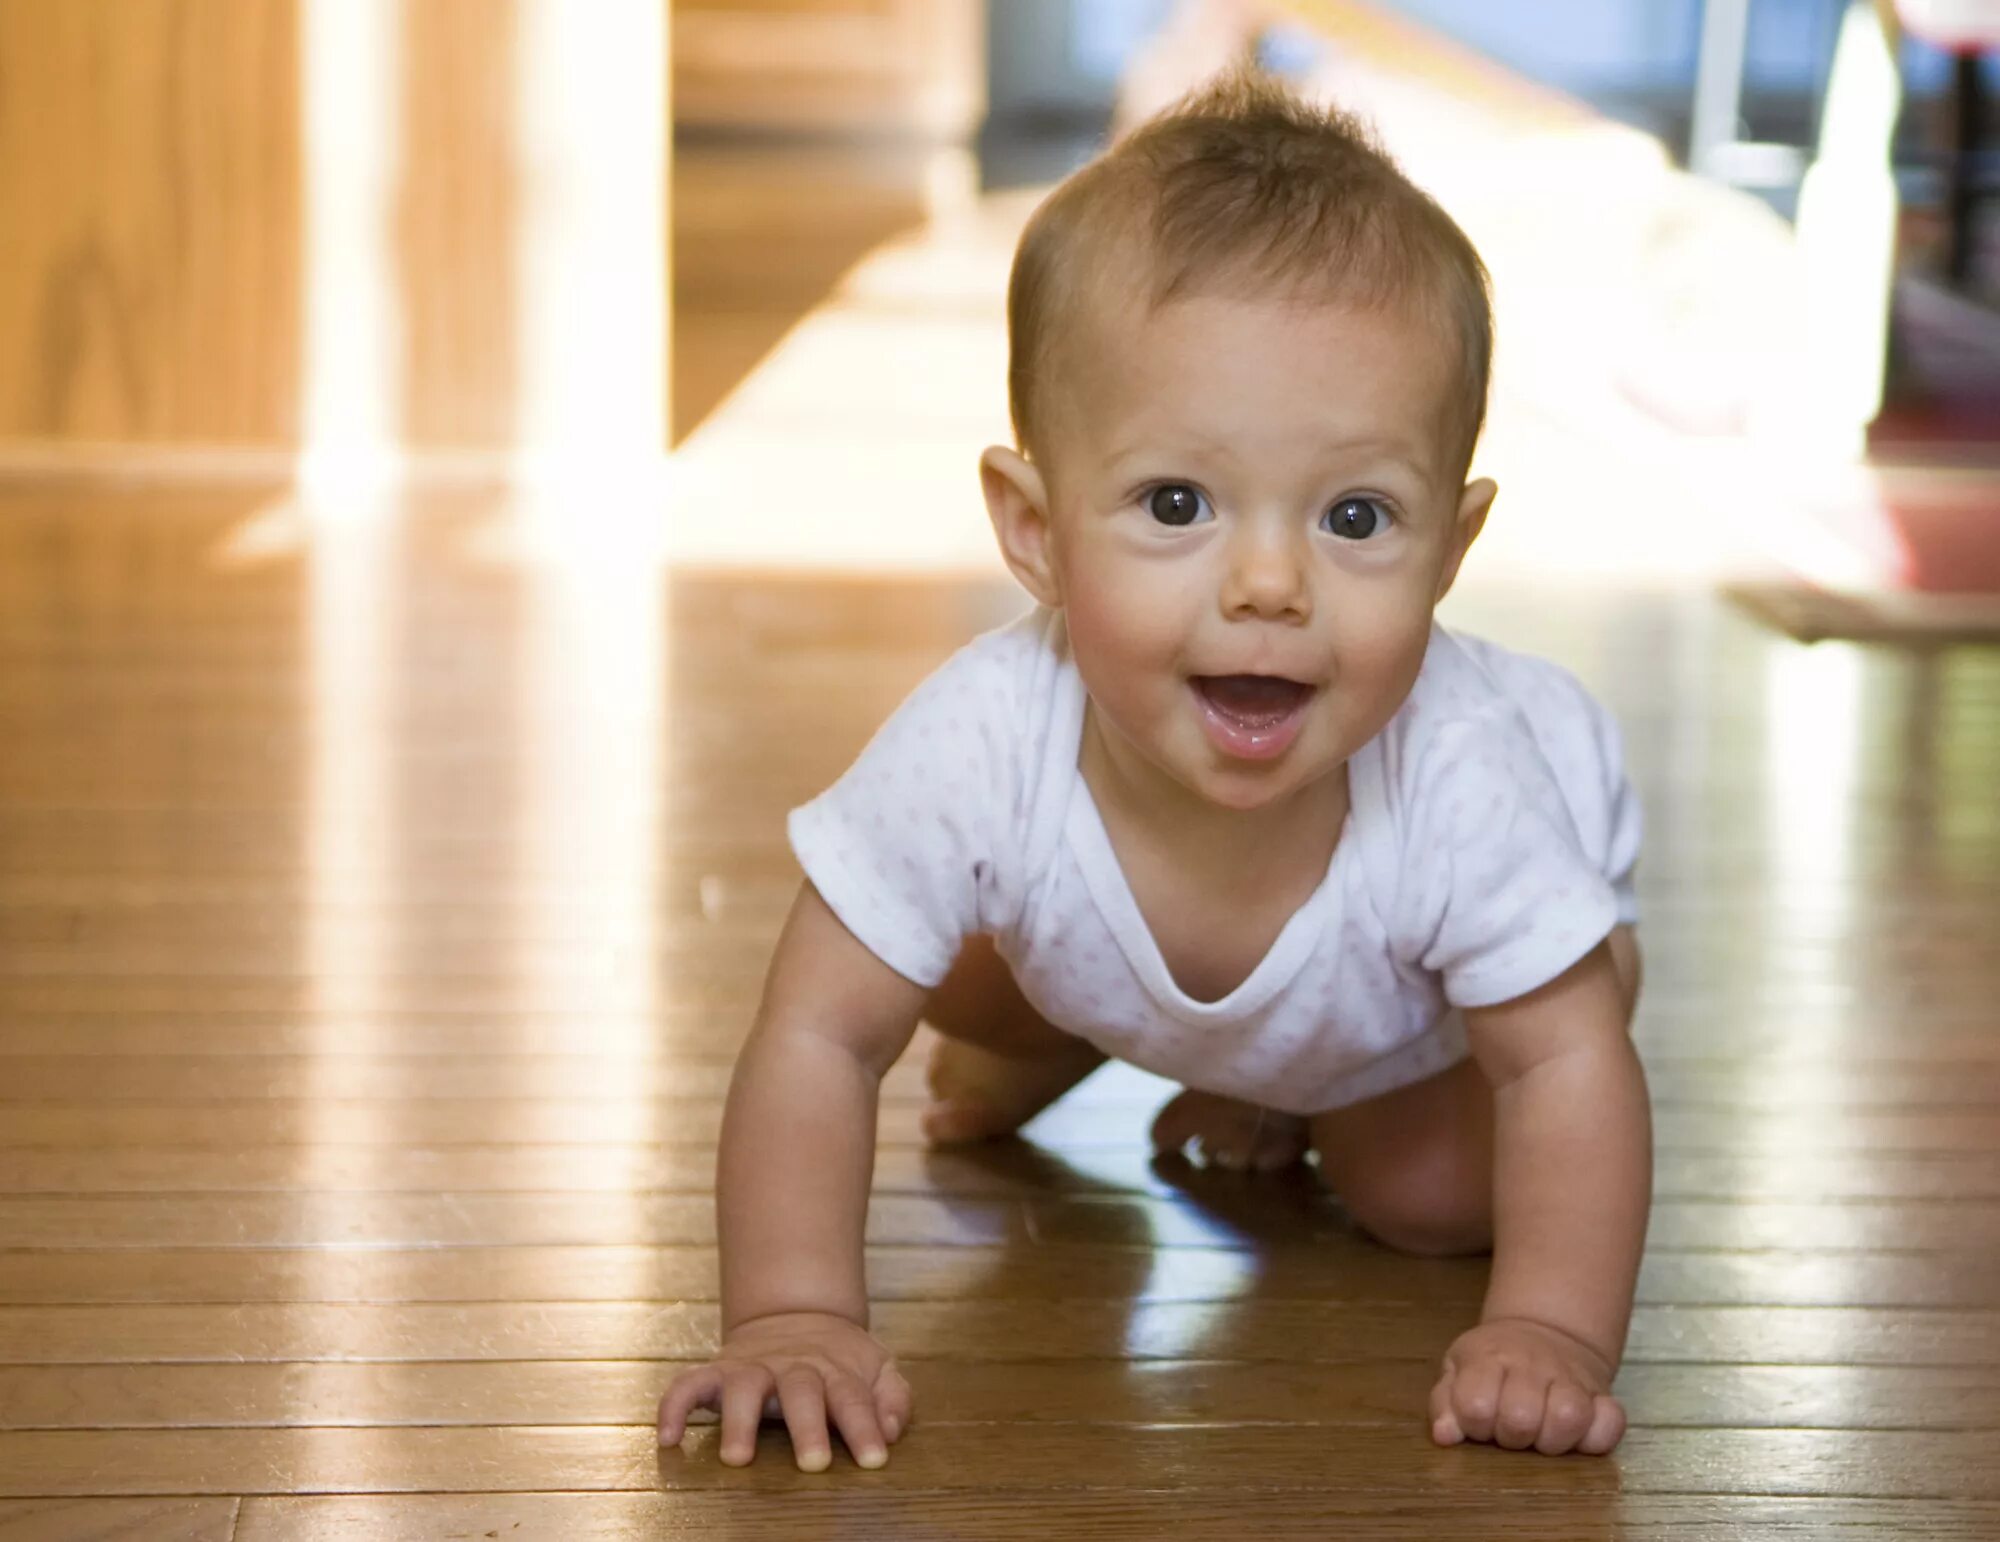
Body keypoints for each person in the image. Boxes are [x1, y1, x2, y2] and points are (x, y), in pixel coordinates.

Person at [657, 69, 1650, 1471]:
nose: (1266, 582)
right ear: (1035, 529)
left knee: (1425, 1192)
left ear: (1453, 549)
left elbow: (1563, 1062)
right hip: (1131, 949)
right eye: (1176, 503)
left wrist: (1552, 1330)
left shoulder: (1468, 773)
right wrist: (792, 1310)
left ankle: (1288, 1084)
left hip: (1422, 1012)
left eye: (1357, 515)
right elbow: (817, 1031)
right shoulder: (986, 731)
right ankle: (1084, 1036)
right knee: (904, 946)